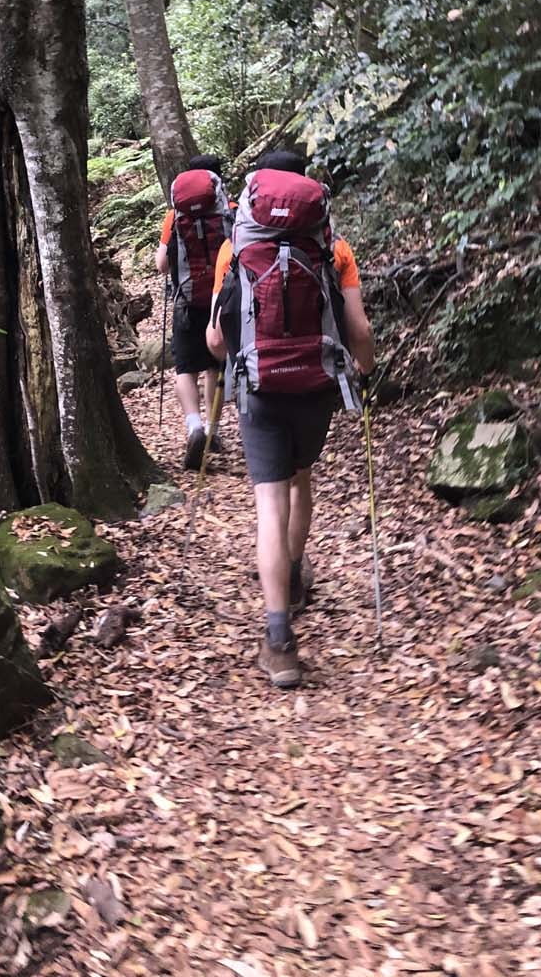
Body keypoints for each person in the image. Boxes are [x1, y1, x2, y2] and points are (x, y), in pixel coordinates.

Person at [206, 149, 374, 688]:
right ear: (308, 190)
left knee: (268, 505)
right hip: (316, 389)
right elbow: (359, 331)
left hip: (260, 391)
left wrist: (236, 358)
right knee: (302, 482)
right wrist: (363, 372)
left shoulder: (236, 246)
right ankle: (297, 577)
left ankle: (279, 643)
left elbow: (214, 338)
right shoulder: (333, 246)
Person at [155, 154, 233, 470]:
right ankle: (213, 432)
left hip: (187, 302)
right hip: (221, 302)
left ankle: (194, 427)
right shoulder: (231, 211)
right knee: (215, 364)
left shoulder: (175, 216)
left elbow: (161, 264)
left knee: (185, 368)